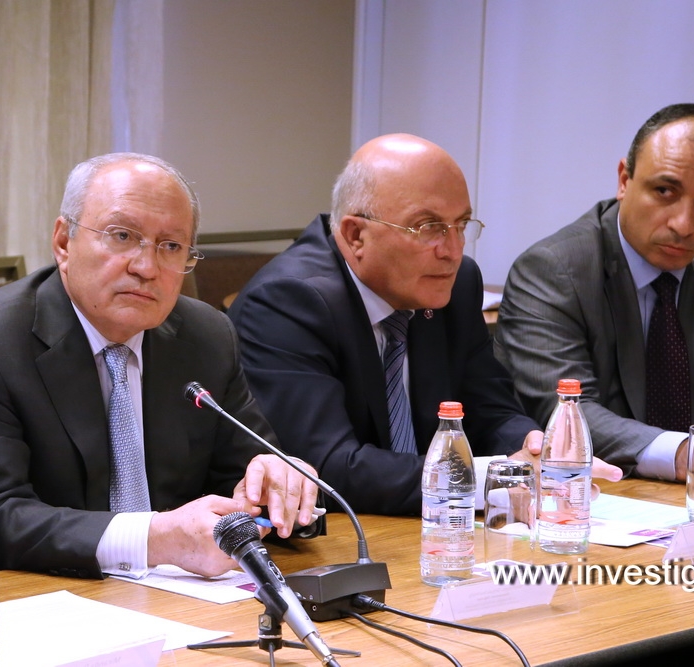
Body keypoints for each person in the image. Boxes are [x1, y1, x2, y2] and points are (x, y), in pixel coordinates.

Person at [0, 153, 319, 585]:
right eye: (122, 236)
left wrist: (278, 488)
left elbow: (245, 477)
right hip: (10, 596)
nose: (146, 268)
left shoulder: (207, 336)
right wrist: (154, 539)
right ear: (63, 242)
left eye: (170, 246)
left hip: (175, 599)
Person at [228, 134, 622, 515]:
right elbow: (327, 467)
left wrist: (534, 449)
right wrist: (497, 478)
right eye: (428, 227)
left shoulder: (456, 284)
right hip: (341, 538)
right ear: (355, 235)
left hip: (436, 527)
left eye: (461, 225)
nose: (453, 251)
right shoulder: (287, 302)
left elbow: (492, 411)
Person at [495, 103, 694, 489]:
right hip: (596, 494)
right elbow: (567, 413)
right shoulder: (554, 268)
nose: (684, 224)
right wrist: (683, 452)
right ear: (624, 179)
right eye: (664, 191)